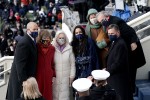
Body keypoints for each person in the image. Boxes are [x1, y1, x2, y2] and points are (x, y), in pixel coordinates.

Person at [96, 11, 146, 93]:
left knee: (131, 70)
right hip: (124, 49)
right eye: (100, 22)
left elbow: (131, 31)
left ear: (107, 16)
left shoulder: (116, 21)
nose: (101, 23)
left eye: (102, 20)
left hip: (131, 49)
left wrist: (133, 42)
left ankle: (131, 91)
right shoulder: (108, 23)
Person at [6, 22, 38, 100]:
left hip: (27, 79)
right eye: (34, 29)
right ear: (28, 30)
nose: (36, 31)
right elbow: (20, 64)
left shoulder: (31, 40)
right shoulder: (24, 42)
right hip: (21, 81)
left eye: (37, 29)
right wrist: (24, 81)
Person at [106, 24, 133, 100]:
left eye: (112, 34)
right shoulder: (114, 42)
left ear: (118, 33)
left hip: (119, 79)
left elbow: (118, 63)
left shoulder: (120, 44)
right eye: (109, 34)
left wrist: (107, 71)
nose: (110, 35)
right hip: (115, 77)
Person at [52, 30, 76, 100]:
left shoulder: (69, 49)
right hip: (55, 78)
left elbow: (72, 64)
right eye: (59, 38)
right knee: (55, 95)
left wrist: (72, 76)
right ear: (56, 38)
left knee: (65, 96)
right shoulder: (52, 48)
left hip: (66, 78)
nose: (61, 39)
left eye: (63, 38)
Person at [36, 29, 55, 100]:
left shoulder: (52, 48)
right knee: (38, 93)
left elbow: (52, 63)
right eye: (44, 38)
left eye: (48, 38)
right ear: (40, 38)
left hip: (48, 75)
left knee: (47, 95)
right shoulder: (36, 47)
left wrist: (53, 75)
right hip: (38, 75)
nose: (47, 40)